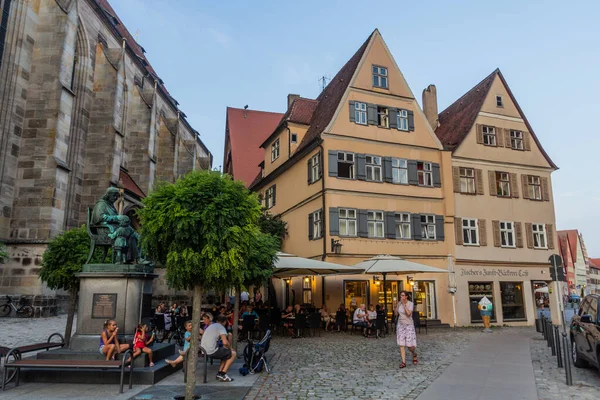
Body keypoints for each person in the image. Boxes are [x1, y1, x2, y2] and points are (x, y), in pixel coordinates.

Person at [200, 315, 237, 382]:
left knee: (225, 353)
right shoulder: (221, 327)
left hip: (204, 350)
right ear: (225, 322)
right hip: (211, 351)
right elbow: (225, 342)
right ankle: (223, 374)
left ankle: (219, 373)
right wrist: (230, 348)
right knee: (233, 353)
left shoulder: (212, 326)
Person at [396, 291, 417, 368]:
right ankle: (403, 362)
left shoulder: (410, 304)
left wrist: (404, 305)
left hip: (408, 325)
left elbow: (408, 314)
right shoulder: (399, 303)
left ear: (406, 297)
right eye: (400, 295)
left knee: (409, 346)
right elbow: (396, 313)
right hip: (400, 325)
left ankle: (414, 354)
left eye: (402, 295)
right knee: (401, 344)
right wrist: (396, 306)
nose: (401, 297)